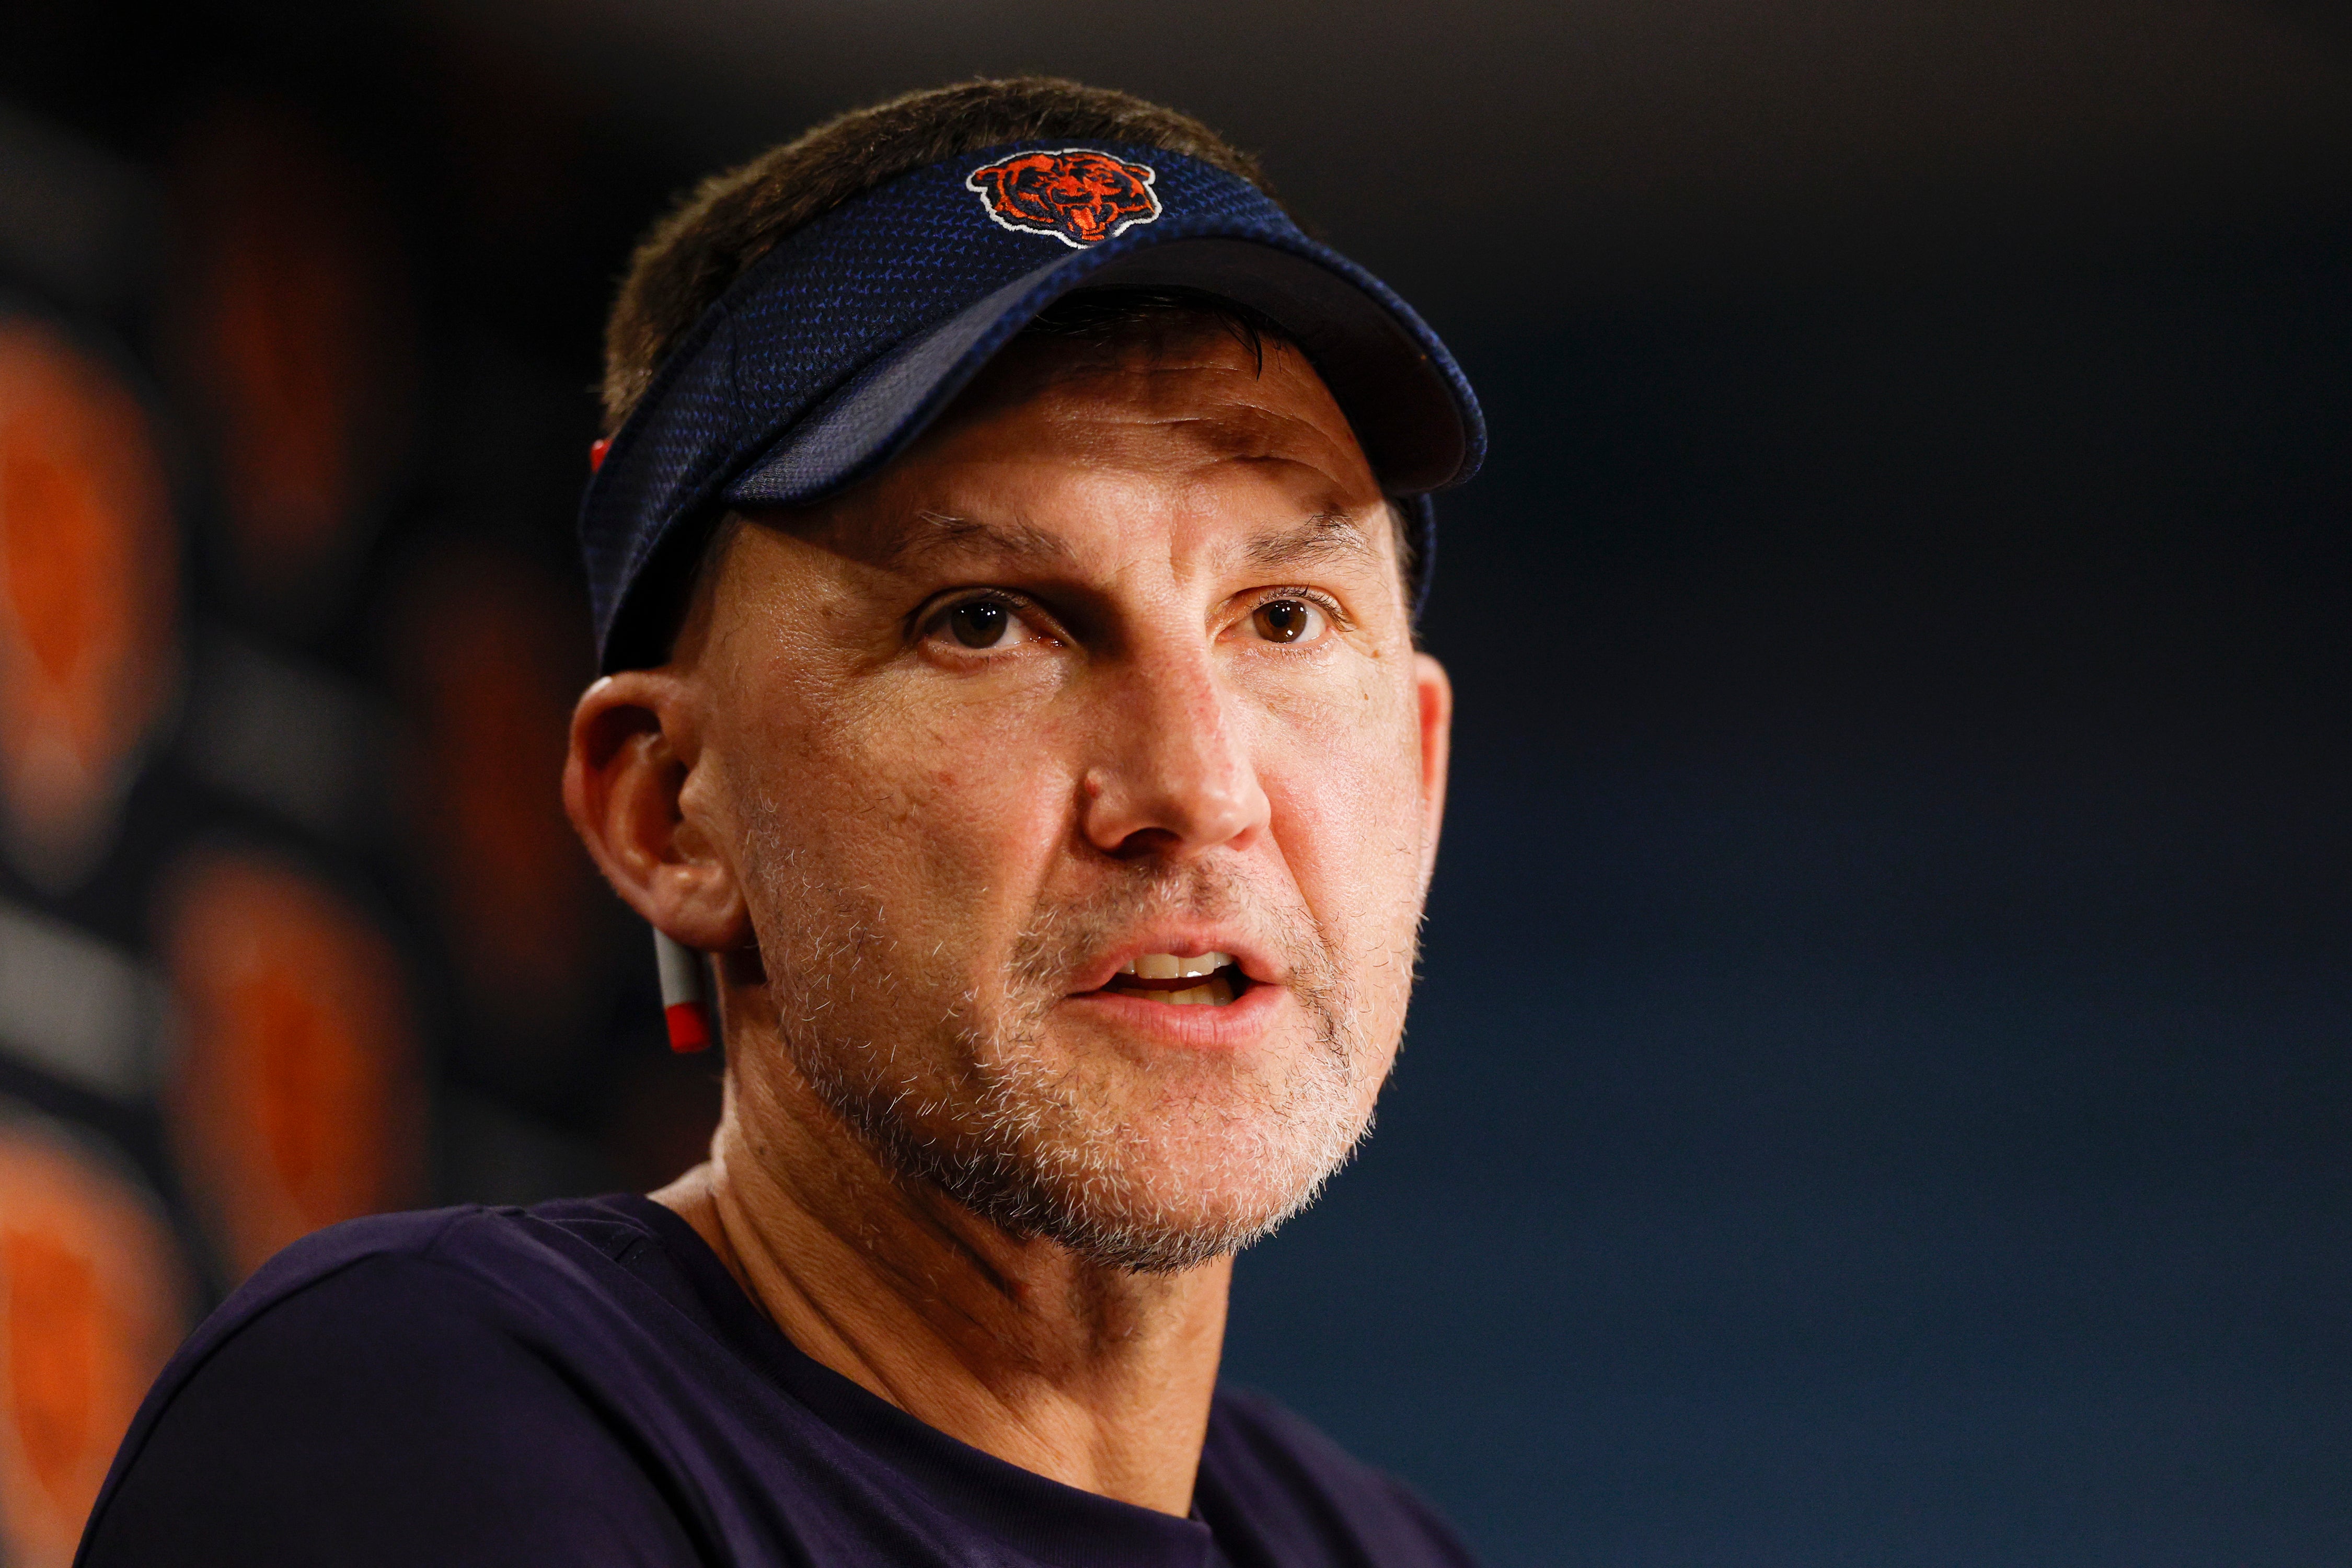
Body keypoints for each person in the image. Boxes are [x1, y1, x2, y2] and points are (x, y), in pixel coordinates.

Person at [79, 77, 1485, 1567]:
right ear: (667, 811)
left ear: (1418, 762)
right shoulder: (423, 1413)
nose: (1199, 791)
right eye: (987, 620)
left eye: (1282, 614)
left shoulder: (1378, 1544)